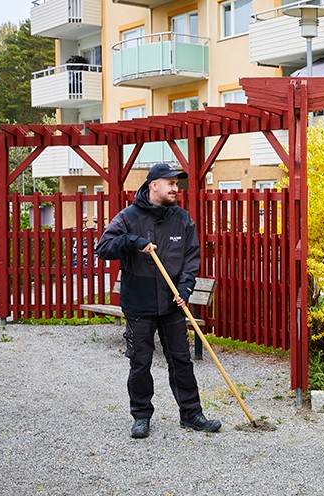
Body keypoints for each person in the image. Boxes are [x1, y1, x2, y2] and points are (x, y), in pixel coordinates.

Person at [96, 162, 221, 439]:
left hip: (172, 303)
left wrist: (185, 288)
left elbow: (191, 258)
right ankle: (141, 416)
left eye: (177, 184)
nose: (176, 189)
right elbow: (103, 247)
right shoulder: (129, 217)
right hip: (139, 303)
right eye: (171, 183)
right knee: (140, 362)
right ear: (154, 185)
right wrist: (132, 241)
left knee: (181, 360)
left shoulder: (182, 219)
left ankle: (191, 414)